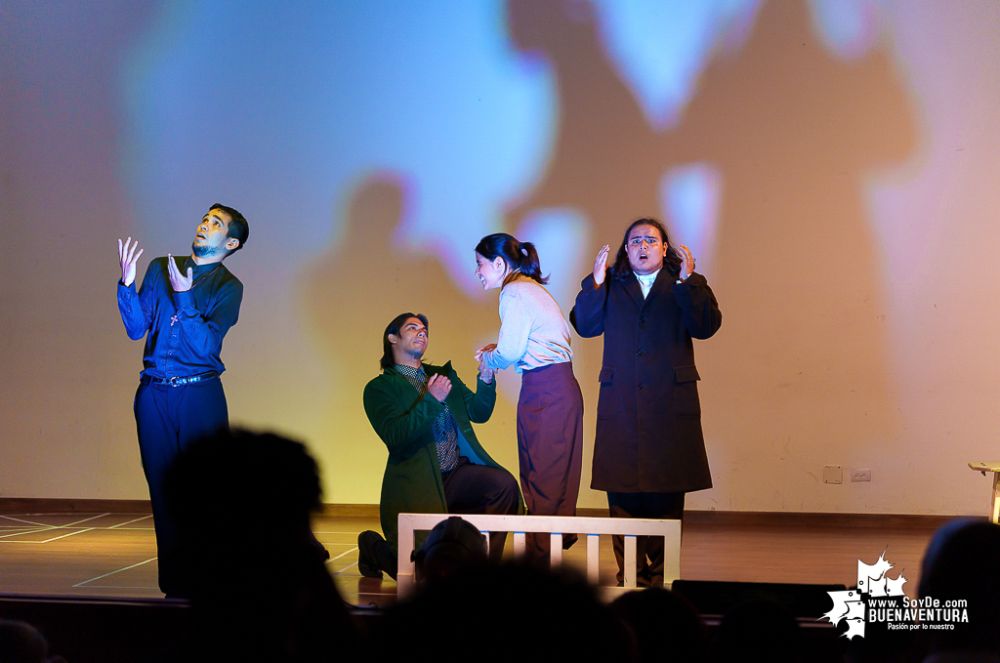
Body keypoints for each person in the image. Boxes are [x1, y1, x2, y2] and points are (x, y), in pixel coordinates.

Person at [570, 217, 721, 586]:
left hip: (670, 404)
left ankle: (662, 575)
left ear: (664, 248)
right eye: (635, 240)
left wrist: (690, 281)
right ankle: (631, 576)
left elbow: (706, 326)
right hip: (621, 402)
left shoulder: (682, 282)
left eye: (650, 240)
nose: (642, 246)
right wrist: (596, 283)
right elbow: (586, 326)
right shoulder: (610, 282)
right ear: (626, 249)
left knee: (667, 494)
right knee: (621, 492)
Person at [116, 203, 249, 596]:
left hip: (200, 393)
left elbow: (207, 345)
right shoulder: (160, 266)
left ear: (232, 242)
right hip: (154, 393)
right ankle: (175, 585)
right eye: (205, 219)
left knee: (206, 491)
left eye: (216, 224)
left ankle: (212, 579)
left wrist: (186, 297)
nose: (205, 225)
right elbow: (136, 328)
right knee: (163, 489)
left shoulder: (229, 287)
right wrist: (126, 284)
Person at [360, 312, 522, 579]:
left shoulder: (442, 375)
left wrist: (486, 376)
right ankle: (372, 546)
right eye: (412, 328)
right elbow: (396, 437)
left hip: (456, 474)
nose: (422, 332)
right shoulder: (379, 388)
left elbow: (479, 412)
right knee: (423, 576)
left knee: (503, 485)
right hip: (418, 483)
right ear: (392, 338)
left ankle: (485, 573)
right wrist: (432, 400)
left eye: (424, 329)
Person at [474, 233, 584, 561]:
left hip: (546, 391)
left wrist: (488, 360)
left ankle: (539, 568)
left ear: (498, 263)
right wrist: (498, 352)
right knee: (551, 480)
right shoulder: (530, 288)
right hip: (555, 388)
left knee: (542, 481)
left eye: (480, 264)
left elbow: (510, 351)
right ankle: (546, 563)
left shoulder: (514, 291)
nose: (477, 272)